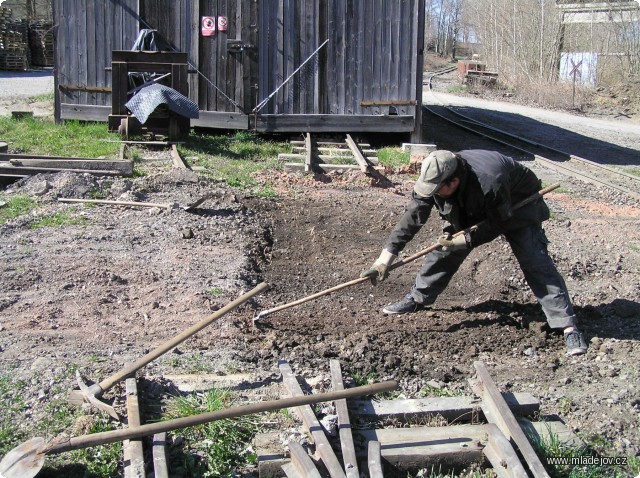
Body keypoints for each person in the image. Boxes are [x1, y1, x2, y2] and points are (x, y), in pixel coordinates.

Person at [361, 149, 588, 356]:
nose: (434, 195)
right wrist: (385, 259)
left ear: (454, 181)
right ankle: (418, 298)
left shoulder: (490, 180)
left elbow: (498, 223)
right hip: (471, 201)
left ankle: (567, 325)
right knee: (444, 252)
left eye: (438, 191)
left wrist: (463, 240)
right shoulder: (434, 178)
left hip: (517, 206)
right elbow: (412, 217)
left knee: (534, 260)